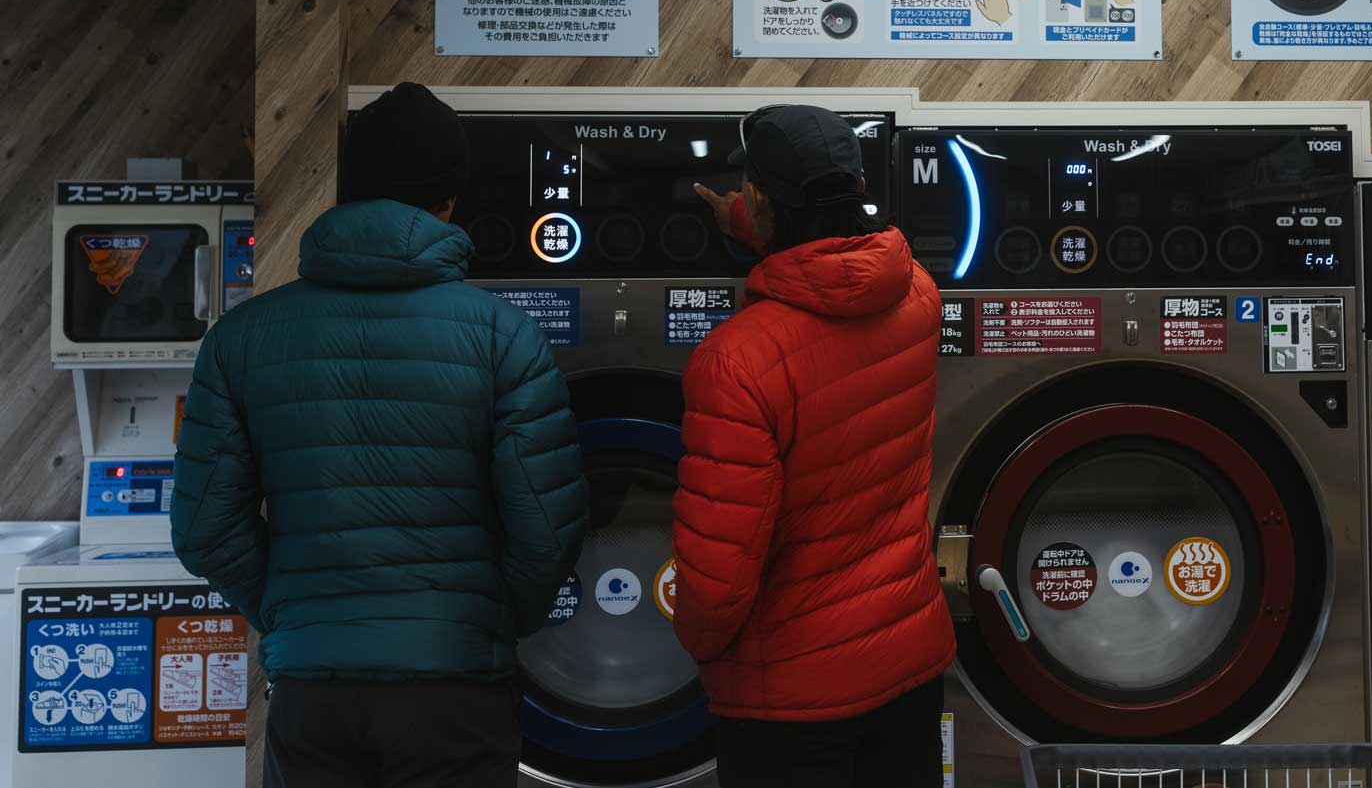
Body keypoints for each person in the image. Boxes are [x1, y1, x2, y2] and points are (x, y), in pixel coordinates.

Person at [171, 82, 588, 788]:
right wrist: (487, 619)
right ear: (449, 201)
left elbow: (204, 528)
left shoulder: (240, 340)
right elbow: (546, 529)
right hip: (455, 682)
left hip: (313, 688)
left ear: (350, 189)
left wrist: (288, 610)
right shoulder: (503, 337)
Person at [676, 105, 955, 788]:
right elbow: (839, 270)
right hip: (907, 666)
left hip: (792, 703)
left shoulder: (734, 361)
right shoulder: (917, 297)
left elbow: (715, 589)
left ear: (763, 197)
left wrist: (701, 652)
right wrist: (753, 227)